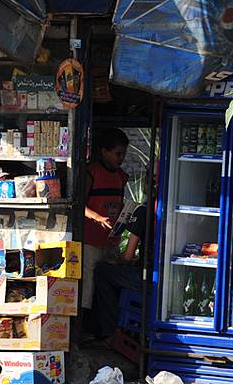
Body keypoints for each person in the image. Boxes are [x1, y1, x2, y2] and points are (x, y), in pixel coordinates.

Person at [82, 128, 129, 311]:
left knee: (106, 285)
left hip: (111, 240)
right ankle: (84, 326)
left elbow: (121, 202)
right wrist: (96, 217)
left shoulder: (121, 176)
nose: (121, 158)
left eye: (124, 154)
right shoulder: (91, 173)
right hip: (91, 241)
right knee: (88, 284)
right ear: (104, 152)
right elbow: (79, 205)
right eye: (118, 154)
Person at [93, 202, 146, 340]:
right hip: (158, 277)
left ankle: (110, 332)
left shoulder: (143, 210)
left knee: (101, 271)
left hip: (145, 278)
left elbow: (127, 256)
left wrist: (115, 260)